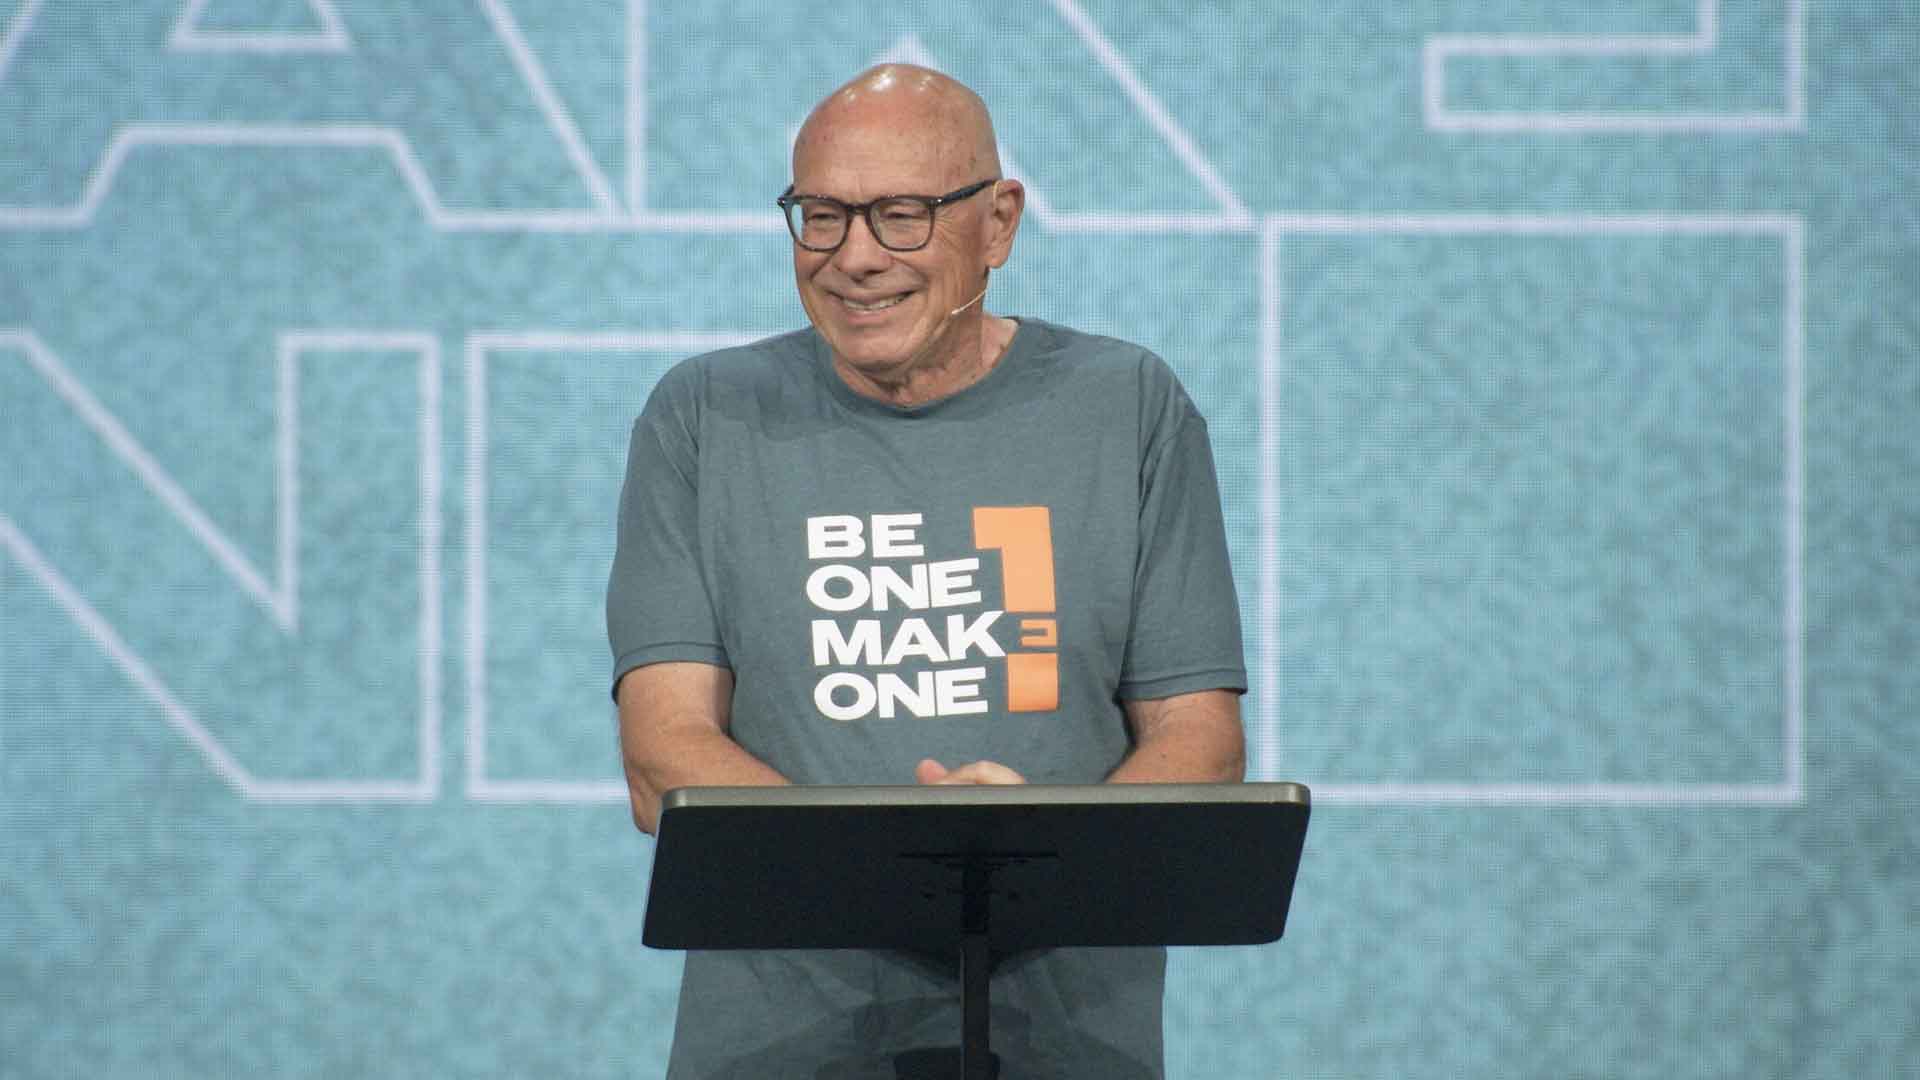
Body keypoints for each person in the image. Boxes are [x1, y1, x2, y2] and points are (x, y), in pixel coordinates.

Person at [608, 63, 1246, 1079]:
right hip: (778, 1048)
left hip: (1062, 1043)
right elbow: (662, 757)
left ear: (999, 223)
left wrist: (1027, 859)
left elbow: (1200, 745)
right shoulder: (704, 415)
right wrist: (934, 871)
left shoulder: (1127, 404)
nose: (855, 257)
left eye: (902, 216)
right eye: (822, 216)